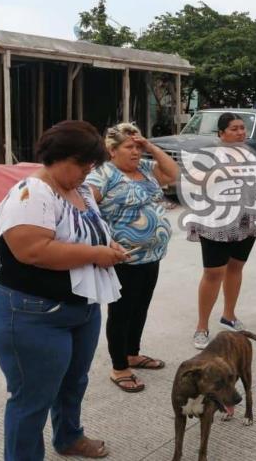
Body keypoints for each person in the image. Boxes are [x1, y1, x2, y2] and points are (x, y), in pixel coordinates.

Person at [0, 120, 127, 461]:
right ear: (61, 157)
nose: (88, 172)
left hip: (80, 308)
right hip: (32, 313)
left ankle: (69, 437)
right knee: (32, 398)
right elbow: (32, 250)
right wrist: (96, 255)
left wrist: (108, 244)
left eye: (92, 166)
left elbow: (86, 230)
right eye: (84, 164)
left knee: (74, 383)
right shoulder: (33, 193)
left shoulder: (80, 190)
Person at [86, 123, 179, 393]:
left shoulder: (146, 170)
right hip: (122, 258)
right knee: (122, 312)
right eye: (130, 147)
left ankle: (132, 353)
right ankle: (119, 367)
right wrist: (104, 242)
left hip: (151, 255)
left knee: (140, 307)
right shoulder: (103, 175)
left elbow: (174, 174)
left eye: (138, 146)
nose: (136, 151)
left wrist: (150, 146)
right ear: (112, 151)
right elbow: (86, 212)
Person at [190, 112, 256, 349]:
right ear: (221, 133)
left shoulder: (251, 156)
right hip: (218, 222)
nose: (240, 132)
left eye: (242, 128)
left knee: (236, 267)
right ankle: (201, 326)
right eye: (234, 128)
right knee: (213, 273)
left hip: (248, 221)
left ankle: (229, 315)